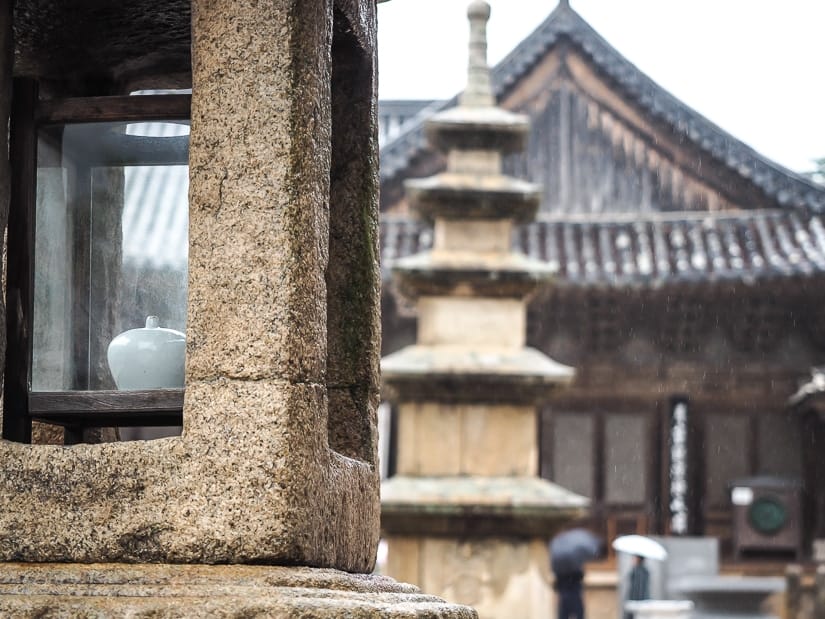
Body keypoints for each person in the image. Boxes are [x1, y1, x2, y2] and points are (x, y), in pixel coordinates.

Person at [624, 555, 650, 619]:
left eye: (635, 558)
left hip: (637, 601)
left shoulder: (638, 571)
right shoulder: (642, 571)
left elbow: (638, 589)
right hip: (639, 601)